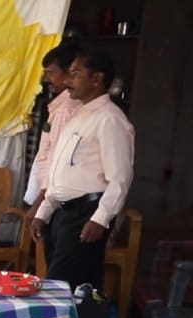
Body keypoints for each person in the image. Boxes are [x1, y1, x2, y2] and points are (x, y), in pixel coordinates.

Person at [30, 51, 134, 290]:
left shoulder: (110, 119)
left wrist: (101, 218)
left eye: (76, 74)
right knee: (71, 289)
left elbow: (119, 178)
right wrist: (43, 212)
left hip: (85, 214)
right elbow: (60, 172)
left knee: (60, 288)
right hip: (63, 215)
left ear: (96, 79)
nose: (68, 81)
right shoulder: (78, 116)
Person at [24, 43, 83, 214]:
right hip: (50, 195)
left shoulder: (66, 109)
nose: (45, 78)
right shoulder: (60, 106)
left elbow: (56, 161)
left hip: (51, 198)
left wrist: (40, 203)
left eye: (51, 72)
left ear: (69, 74)